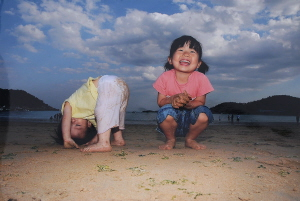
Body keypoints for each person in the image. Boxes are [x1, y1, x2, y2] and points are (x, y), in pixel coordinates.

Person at [153, 35, 214, 150]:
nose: (186, 54)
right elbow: (161, 102)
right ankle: (170, 139)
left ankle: (190, 139)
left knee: (204, 114)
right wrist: (172, 99)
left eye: (192, 51)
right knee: (164, 112)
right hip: (170, 122)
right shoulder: (164, 77)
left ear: (199, 63)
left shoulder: (201, 78)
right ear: (170, 59)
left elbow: (200, 101)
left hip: (191, 121)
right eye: (181, 50)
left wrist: (187, 103)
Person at [53, 75, 129, 152]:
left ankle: (103, 143)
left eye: (70, 124)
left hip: (107, 83)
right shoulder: (93, 120)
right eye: (77, 125)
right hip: (122, 87)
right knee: (114, 115)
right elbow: (104, 128)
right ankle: (118, 139)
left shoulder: (70, 106)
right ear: (89, 124)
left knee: (102, 111)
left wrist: (67, 138)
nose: (73, 121)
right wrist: (92, 141)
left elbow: (66, 118)